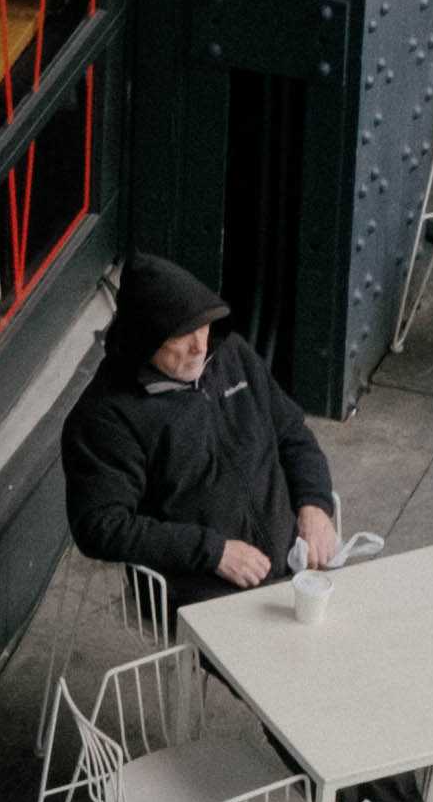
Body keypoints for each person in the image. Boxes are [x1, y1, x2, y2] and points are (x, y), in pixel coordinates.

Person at [59, 256, 342, 601]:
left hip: (294, 562)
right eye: (181, 336)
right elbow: (101, 525)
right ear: (145, 342)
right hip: (201, 584)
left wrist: (314, 505)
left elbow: (292, 434)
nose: (200, 346)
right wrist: (214, 552)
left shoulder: (231, 355)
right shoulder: (105, 416)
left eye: (203, 326)